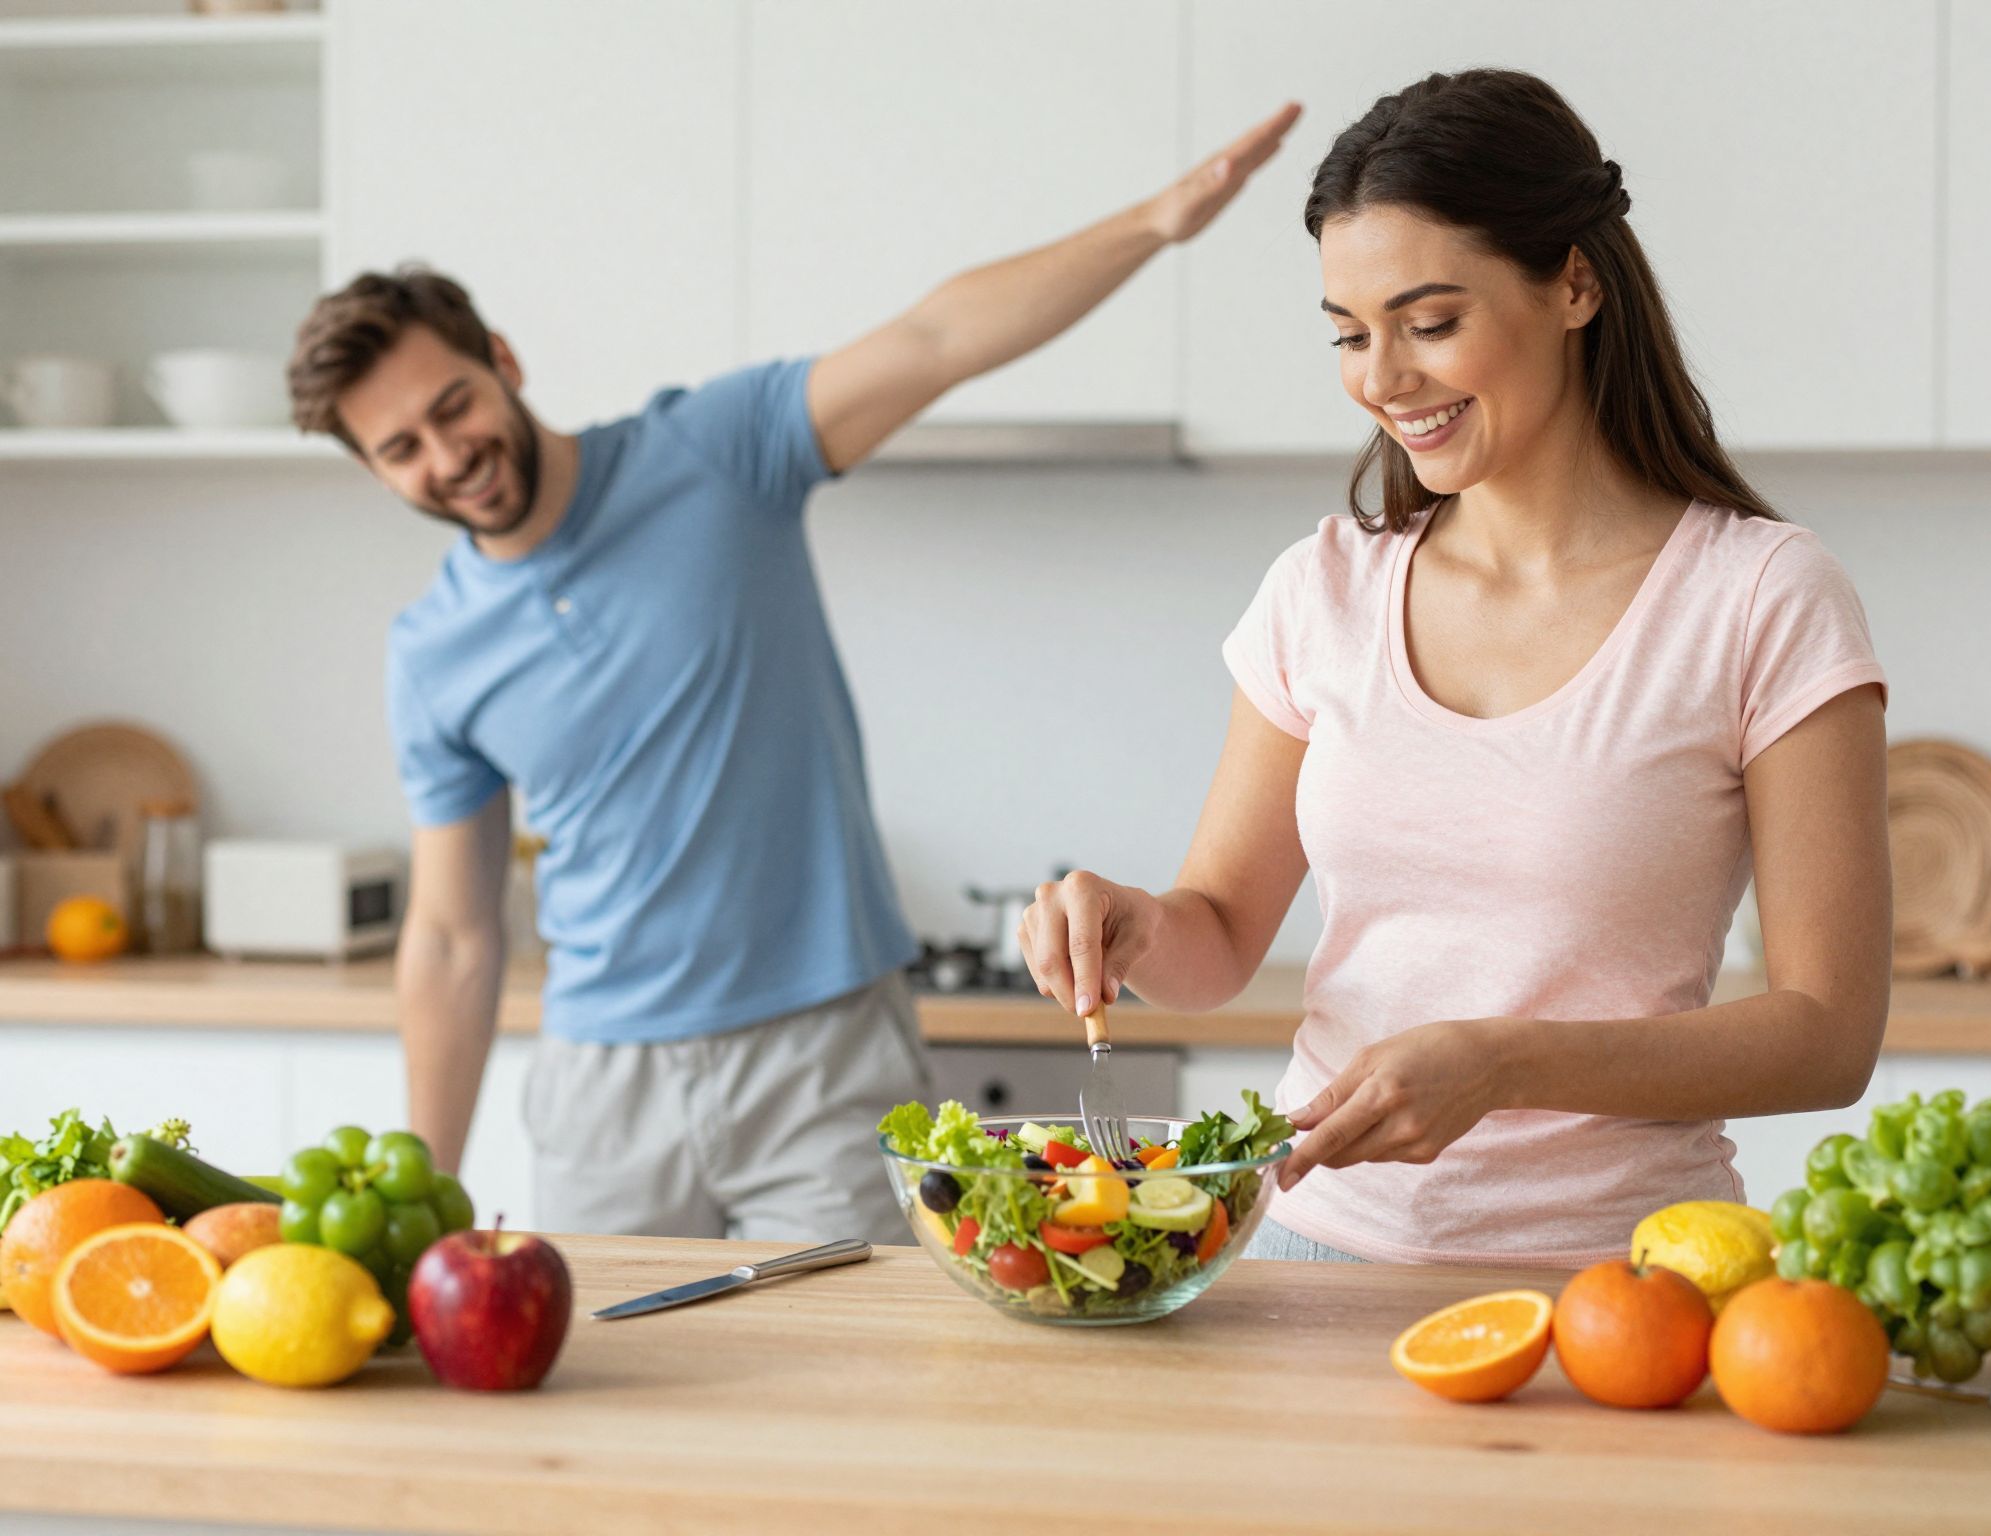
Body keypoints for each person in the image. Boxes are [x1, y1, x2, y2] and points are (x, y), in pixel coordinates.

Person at [285, 104, 1302, 1244]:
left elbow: (933, 338)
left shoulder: (711, 451)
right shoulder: (430, 651)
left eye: (451, 406)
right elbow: (452, 938)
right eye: (399, 451)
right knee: (608, 1396)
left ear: (502, 363)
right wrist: (423, 1189)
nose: (445, 456)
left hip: (822, 1052)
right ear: (374, 473)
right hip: (601, 1089)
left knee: (857, 1394)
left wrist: (1154, 223)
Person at [1018, 69, 1890, 1267]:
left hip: (1619, 1280)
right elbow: (1215, 938)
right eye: (1347, 333)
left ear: (1574, 283)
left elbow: (1826, 1035)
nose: (1380, 378)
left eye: (1428, 324)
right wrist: (1127, 926)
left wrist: (1505, 1060)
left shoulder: (1757, 598)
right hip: (1307, 1252)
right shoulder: (1321, 591)